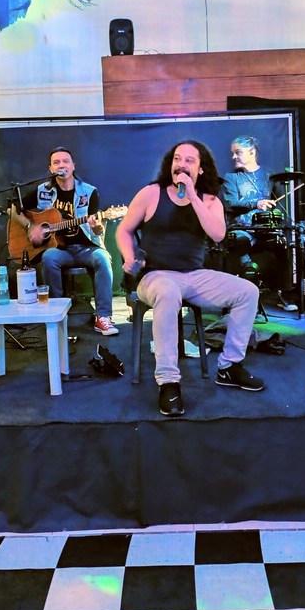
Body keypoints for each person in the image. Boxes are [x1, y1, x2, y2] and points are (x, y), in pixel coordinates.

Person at [116, 140, 264, 417]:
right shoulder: (151, 193)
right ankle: (168, 381)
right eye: (177, 159)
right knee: (168, 291)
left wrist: (194, 197)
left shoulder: (210, 201)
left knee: (247, 291)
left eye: (189, 160)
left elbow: (218, 235)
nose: (181, 165)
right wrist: (129, 256)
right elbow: (123, 230)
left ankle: (229, 366)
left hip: (194, 275)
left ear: (201, 169)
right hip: (155, 275)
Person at [12, 146, 118, 335]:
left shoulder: (89, 192)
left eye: (66, 161)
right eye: (57, 162)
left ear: (73, 166)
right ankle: (56, 314)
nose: (62, 165)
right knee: (49, 257)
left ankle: (103, 317)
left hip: (87, 247)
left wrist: (97, 227)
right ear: (51, 169)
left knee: (103, 258)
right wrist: (31, 227)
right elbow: (13, 210)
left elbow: (98, 229)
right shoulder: (42, 191)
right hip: (59, 249)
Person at [220, 135, 296, 310]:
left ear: (252, 152)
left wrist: (275, 213)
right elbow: (230, 204)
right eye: (232, 153)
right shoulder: (231, 178)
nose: (234, 157)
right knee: (239, 243)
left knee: (282, 245)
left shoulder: (268, 175)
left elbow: (277, 205)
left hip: (263, 230)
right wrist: (256, 204)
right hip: (242, 228)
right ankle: (243, 297)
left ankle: (282, 294)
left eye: (238, 153)